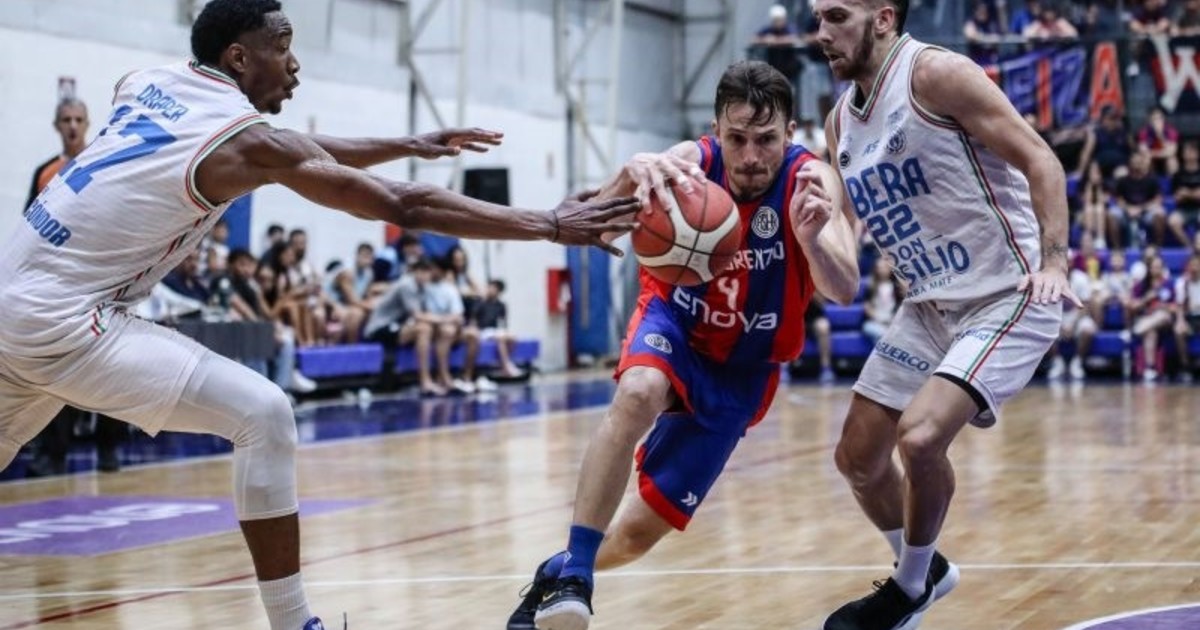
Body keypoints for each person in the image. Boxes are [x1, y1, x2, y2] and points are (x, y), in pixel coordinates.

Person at [0, 2, 638, 630]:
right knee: (263, 415)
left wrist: (404, 143)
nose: (295, 63)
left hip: (13, 295)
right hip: (68, 320)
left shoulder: (147, 82)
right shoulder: (244, 141)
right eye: (282, 46)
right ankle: (293, 624)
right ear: (239, 58)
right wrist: (549, 224)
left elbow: (292, 150)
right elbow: (402, 205)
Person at [509, 59, 859, 630]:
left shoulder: (812, 180)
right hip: (676, 323)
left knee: (633, 536)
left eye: (767, 140)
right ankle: (575, 578)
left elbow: (843, 289)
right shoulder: (687, 166)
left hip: (743, 368)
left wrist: (814, 239)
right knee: (638, 391)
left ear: (791, 133)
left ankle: (557, 571)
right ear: (715, 130)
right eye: (737, 138)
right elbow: (597, 230)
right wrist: (627, 179)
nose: (751, 156)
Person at [811, 0, 1077, 627]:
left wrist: (1055, 262)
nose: (821, 32)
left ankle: (908, 588)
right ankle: (927, 566)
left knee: (922, 437)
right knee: (856, 458)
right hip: (929, 304)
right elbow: (842, 248)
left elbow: (1041, 159)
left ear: (882, 18)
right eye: (817, 17)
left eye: (837, 16)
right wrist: (812, 236)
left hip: (1006, 293)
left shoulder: (935, 74)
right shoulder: (838, 123)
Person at [22, 96, 127, 476]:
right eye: (65, 119)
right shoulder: (44, 173)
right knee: (56, 370)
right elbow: (30, 228)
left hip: (102, 282)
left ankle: (109, 448)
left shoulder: (104, 165)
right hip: (57, 286)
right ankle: (54, 454)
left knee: (111, 366)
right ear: (57, 125)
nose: (72, 125)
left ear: (87, 124)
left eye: (78, 119)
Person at [1131, 255, 1176, 383]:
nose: (1156, 270)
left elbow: (1176, 308)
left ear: (1163, 268)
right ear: (1149, 269)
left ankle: (1137, 330)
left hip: (1165, 320)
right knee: (1151, 332)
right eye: (1154, 267)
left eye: (1159, 267)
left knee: (1162, 315)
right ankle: (1150, 368)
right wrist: (1146, 298)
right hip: (1148, 318)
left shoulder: (1169, 284)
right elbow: (1133, 306)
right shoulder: (1141, 285)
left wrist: (1163, 306)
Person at [1136, 106, 1179, 177]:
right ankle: (1147, 181)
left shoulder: (1171, 131)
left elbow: (1172, 151)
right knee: (1145, 159)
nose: (1157, 121)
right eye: (1154, 119)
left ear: (1164, 119)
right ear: (1149, 120)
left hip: (1163, 156)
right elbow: (1143, 151)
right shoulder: (1144, 132)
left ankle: (1173, 181)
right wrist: (1154, 154)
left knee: (1172, 161)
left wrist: (1160, 135)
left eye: (1160, 118)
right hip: (1151, 157)